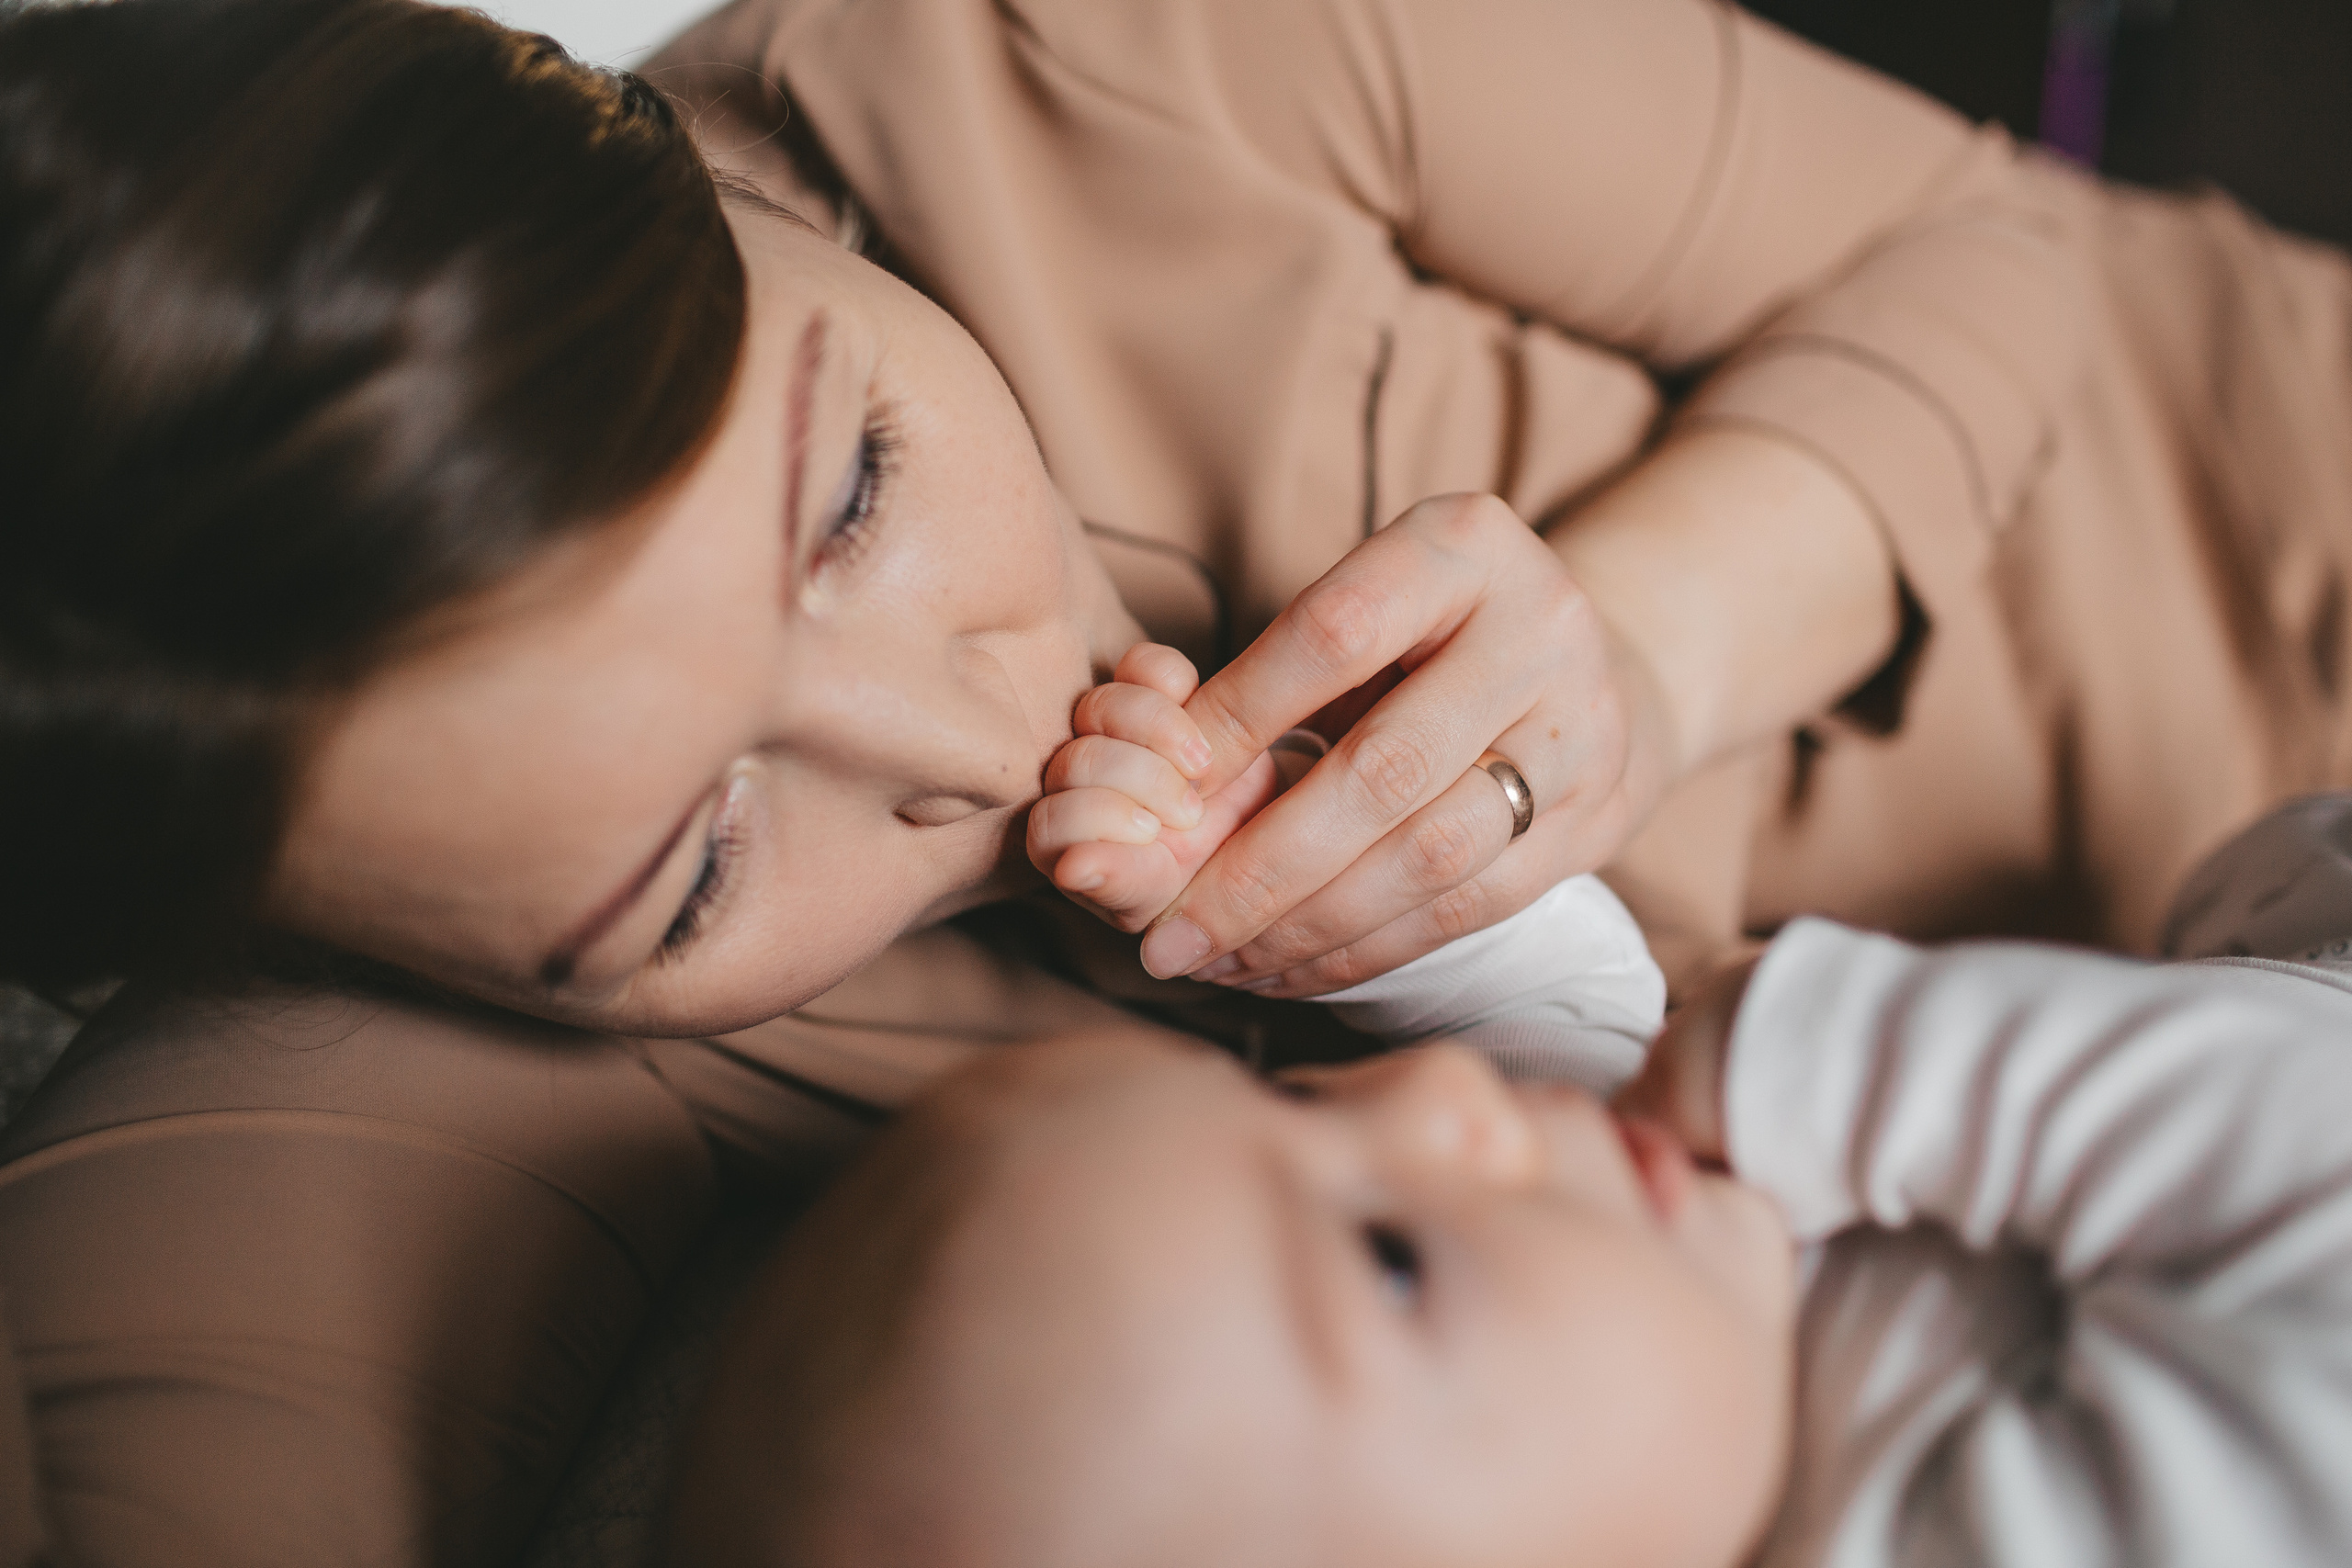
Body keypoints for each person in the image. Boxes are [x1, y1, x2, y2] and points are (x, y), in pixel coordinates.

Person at [3, 0, 2350, 1559]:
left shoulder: (1066, 48)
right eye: (696, 868)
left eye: (850, 496)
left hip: (2250, 552)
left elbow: (1995, 248)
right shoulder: (357, 1061)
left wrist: (1651, 631)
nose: (971, 739)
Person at [661, 913, 2352, 1568]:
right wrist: (1829, 1049)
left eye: (1317, 1105)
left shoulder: (1650, 1312)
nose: (1436, 1104)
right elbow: (2304, 1151)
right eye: (1390, 1260)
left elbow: (1577, 1034)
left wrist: (1339, 904)